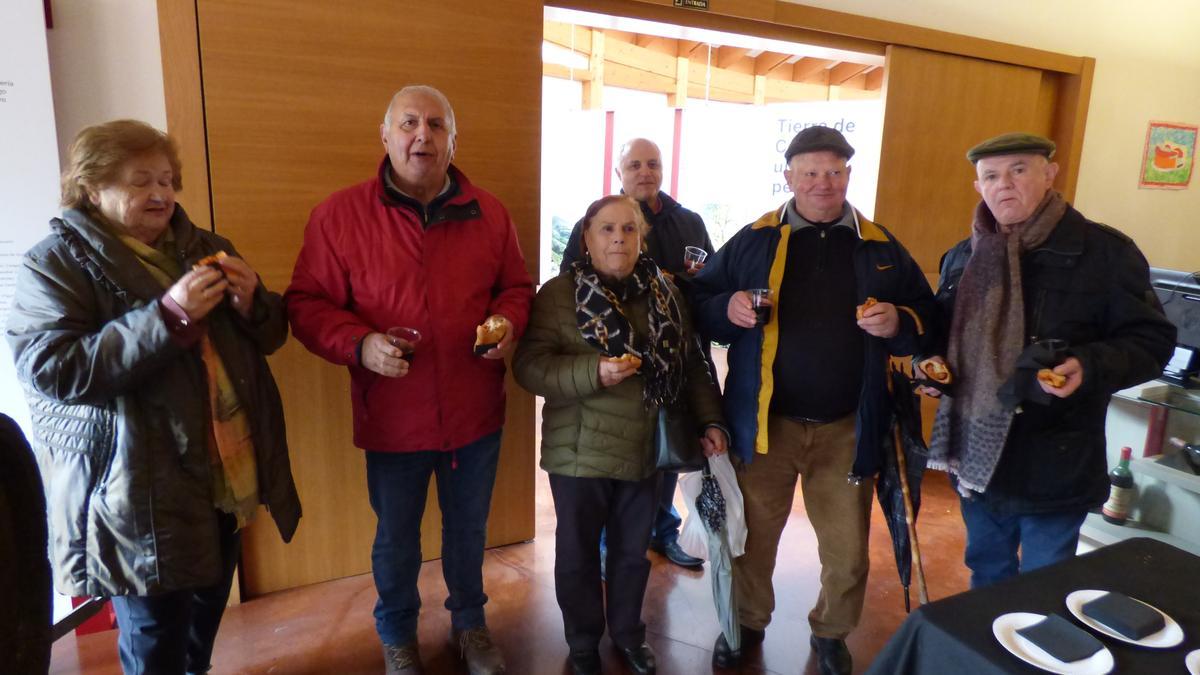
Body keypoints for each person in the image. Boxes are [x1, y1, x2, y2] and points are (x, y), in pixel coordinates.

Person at [6, 119, 302, 674]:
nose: (161, 194)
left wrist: (253, 303)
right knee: (155, 639)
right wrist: (168, 316)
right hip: (138, 494)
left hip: (225, 479)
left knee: (205, 620)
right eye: (141, 181)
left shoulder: (207, 246)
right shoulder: (54, 264)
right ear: (93, 189)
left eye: (167, 180)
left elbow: (270, 335)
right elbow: (52, 370)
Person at [285, 85, 532, 675]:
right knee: (396, 538)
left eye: (437, 125)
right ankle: (396, 635)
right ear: (387, 135)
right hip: (393, 416)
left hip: (475, 411)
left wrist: (508, 321)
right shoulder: (338, 216)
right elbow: (305, 302)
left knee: (468, 532)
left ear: (453, 139)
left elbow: (517, 288)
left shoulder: (490, 212)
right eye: (409, 123)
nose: (423, 135)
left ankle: (470, 624)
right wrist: (359, 344)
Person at [690, 126, 935, 675]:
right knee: (751, 540)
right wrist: (724, 306)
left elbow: (926, 316)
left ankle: (831, 631)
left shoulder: (879, 246)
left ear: (848, 175)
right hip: (763, 425)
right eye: (810, 172)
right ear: (790, 177)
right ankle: (747, 622)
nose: (823, 183)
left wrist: (900, 321)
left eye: (834, 172)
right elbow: (697, 299)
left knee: (847, 550)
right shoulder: (754, 239)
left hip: (848, 424)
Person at [921, 132, 1175, 589]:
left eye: (1018, 170)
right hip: (978, 456)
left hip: (1056, 457)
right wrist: (931, 368)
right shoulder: (963, 256)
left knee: (1046, 586)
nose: (1005, 185)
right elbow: (942, 339)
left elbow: (1153, 341)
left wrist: (1089, 364)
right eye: (991, 176)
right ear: (979, 187)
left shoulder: (1104, 254)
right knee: (987, 574)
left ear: (1049, 174)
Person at [514, 195, 728, 675]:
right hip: (579, 452)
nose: (618, 239)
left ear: (641, 237)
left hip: (646, 447)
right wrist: (594, 372)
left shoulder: (666, 291)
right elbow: (529, 368)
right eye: (606, 229)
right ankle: (584, 640)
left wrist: (709, 421)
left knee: (633, 555)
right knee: (578, 556)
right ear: (586, 238)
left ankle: (630, 634)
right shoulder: (558, 294)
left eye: (629, 230)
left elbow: (693, 364)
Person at [561, 138, 713, 570]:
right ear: (618, 173)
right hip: (616, 366)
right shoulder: (594, 221)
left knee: (667, 449)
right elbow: (572, 284)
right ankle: (612, 541)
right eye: (634, 165)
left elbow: (710, 283)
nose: (644, 172)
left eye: (652, 164)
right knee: (619, 460)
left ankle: (663, 530)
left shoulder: (690, 222)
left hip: (671, 364)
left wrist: (677, 286)